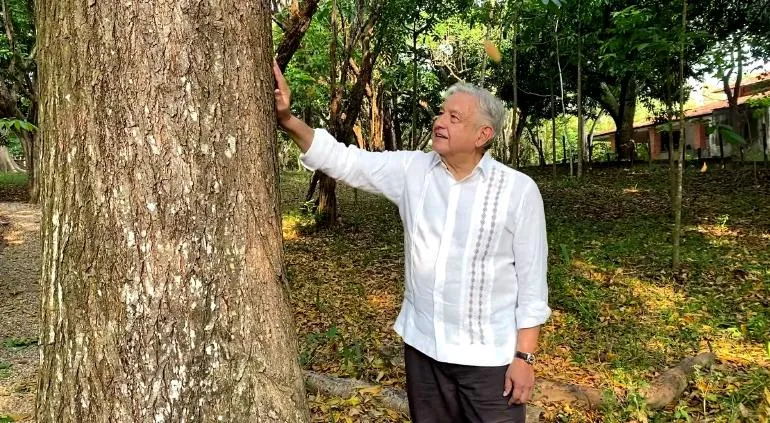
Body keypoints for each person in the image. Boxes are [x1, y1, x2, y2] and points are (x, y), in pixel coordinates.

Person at [273, 62, 551, 423]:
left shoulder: (518, 191)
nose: (440, 121)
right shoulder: (413, 171)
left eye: (454, 117)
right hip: (424, 349)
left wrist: (524, 358)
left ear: (483, 135)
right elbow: (345, 160)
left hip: (489, 362)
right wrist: (289, 120)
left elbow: (532, 287)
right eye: (441, 112)